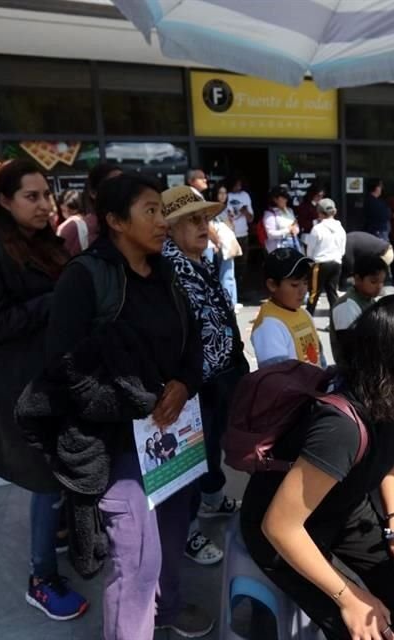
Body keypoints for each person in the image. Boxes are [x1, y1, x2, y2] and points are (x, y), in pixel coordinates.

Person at [41, 173, 211, 639]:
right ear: (115, 220)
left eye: (162, 210)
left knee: (174, 533)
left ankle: (168, 608)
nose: (162, 221)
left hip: (174, 434)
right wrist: (134, 402)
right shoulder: (86, 277)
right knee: (137, 558)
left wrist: (183, 382)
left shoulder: (165, 273)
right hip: (117, 442)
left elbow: (192, 338)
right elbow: (65, 367)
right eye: (150, 211)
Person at [241, 295, 394, 640]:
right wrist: (349, 597)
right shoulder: (340, 426)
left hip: (345, 513)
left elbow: (389, 461)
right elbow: (280, 525)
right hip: (286, 532)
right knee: (365, 627)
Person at [0, 159, 88, 616]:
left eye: (46, 196)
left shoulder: (48, 244)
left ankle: (70, 542)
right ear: (5, 201)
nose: (43, 205)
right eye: (31, 197)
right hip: (24, 388)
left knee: (67, 473)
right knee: (46, 481)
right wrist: (53, 303)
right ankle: (41, 576)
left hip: (63, 380)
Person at [161, 185, 249, 566]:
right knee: (189, 458)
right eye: (193, 220)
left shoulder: (200, 258)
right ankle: (188, 531)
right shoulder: (168, 268)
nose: (205, 226)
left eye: (205, 218)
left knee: (211, 446)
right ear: (170, 228)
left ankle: (212, 498)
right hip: (191, 384)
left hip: (218, 376)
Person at [251, 247, 322, 368]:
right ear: (272, 285)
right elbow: (278, 377)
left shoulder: (304, 314)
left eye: (305, 282)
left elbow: (320, 357)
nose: (303, 290)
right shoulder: (269, 325)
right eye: (294, 285)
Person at [329, 254, 387, 369]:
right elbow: (349, 348)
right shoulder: (346, 306)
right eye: (374, 282)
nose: (379, 286)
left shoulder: (369, 300)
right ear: (357, 279)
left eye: (382, 282)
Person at [57, 162, 120, 257]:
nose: (122, 191)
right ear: (93, 192)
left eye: (126, 186)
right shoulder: (73, 229)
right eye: (113, 185)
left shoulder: (132, 226)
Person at [305, 198, 346, 315]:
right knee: (332, 293)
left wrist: (310, 262)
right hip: (336, 263)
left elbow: (310, 250)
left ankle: (308, 319)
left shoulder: (317, 229)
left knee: (314, 294)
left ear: (319, 213)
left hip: (320, 264)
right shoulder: (340, 228)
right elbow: (342, 250)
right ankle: (334, 322)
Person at [210, 184, 240, 309]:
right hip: (217, 243)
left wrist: (231, 220)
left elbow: (232, 227)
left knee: (229, 273)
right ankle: (226, 302)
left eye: (225, 193)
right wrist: (215, 242)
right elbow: (210, 227)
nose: (223, 196)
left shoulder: (228, 208)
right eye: (220, 193)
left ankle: (231, 301)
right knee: (223, 273)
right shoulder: (212, 208)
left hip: (227, 243)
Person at [262, 186, 301, 253]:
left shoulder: (290, 210)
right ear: (275, 199)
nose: (285, 200)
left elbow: (296, 225)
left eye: (286, 198)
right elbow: (271, 234)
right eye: (283, 198)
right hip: (278, 249)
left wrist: (296, 230)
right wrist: (287, 230)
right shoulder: (269, 214)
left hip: (293, 244)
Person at [225, 176, 254, 262]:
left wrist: (244, 211)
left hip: (243, 234)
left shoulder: (245, 195)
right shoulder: (226, 195)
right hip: (229, 234)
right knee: (230, 263)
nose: (239, 187)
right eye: (236, 185)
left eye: (240, 185)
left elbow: (251, 219)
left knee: (243, 262)